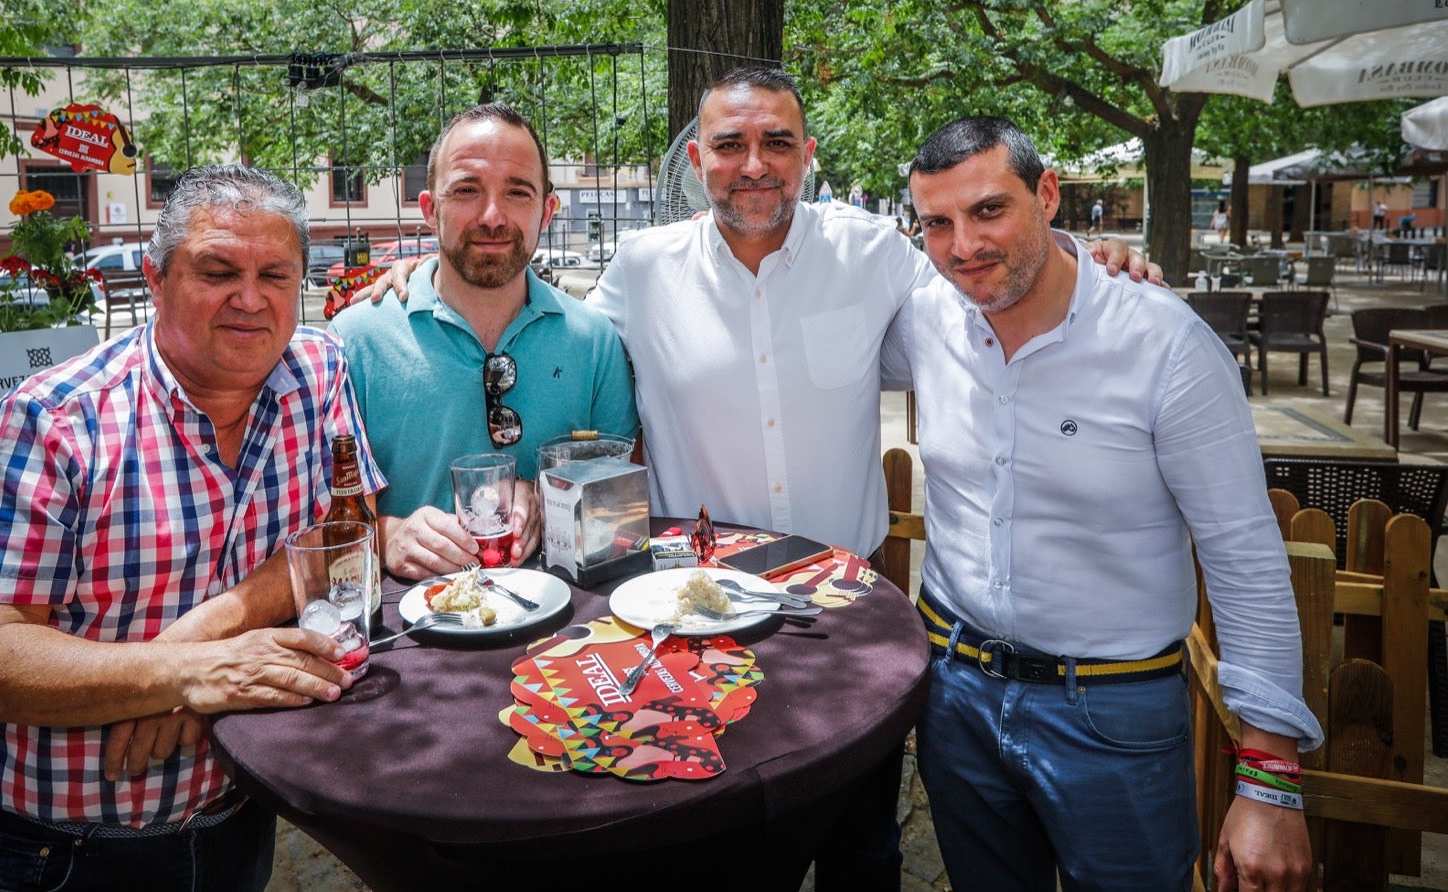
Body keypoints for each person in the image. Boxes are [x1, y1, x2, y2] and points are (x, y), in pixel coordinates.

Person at [374, 68, 1158, 890]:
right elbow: (539, 331)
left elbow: (989, 284)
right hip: (687, 622)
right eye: (730, 145)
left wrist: (1079, 255)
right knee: (719, 852)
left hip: (844, 622)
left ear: (808, 155)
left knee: (865, 852)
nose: (755, 164)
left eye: (777, 142)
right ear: (697, 160)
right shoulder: (643, 270)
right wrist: (420, 278)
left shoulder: (876, 253)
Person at [0, 164, 384, 891]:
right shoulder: (51, 423)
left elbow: (352, 534)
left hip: (238, 807)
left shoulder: (318, 371)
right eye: (217, 271)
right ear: (154, 280)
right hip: (64, 849)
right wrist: (188, 675)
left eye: (276, 276)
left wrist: (201, 637)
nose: (250, 301)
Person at [886, 116, 1321, 892]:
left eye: (990, 210)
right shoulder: (925, 316)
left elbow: (1245, 560)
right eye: (937, 223)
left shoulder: (1165, 344)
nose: (963, 246)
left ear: (1047, 194)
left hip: (1115, 714)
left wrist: (1270, 783)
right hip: (953, 696)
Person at [329, 103, 637, 580]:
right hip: (409, 633)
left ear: (547, 211)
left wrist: (550, 494)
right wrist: (387, 534)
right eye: (468, 190)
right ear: (430, 209)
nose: (493, 216)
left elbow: (620, 504)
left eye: (517, 193)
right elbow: (309, 523)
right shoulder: (354, 343)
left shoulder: (594, 342)